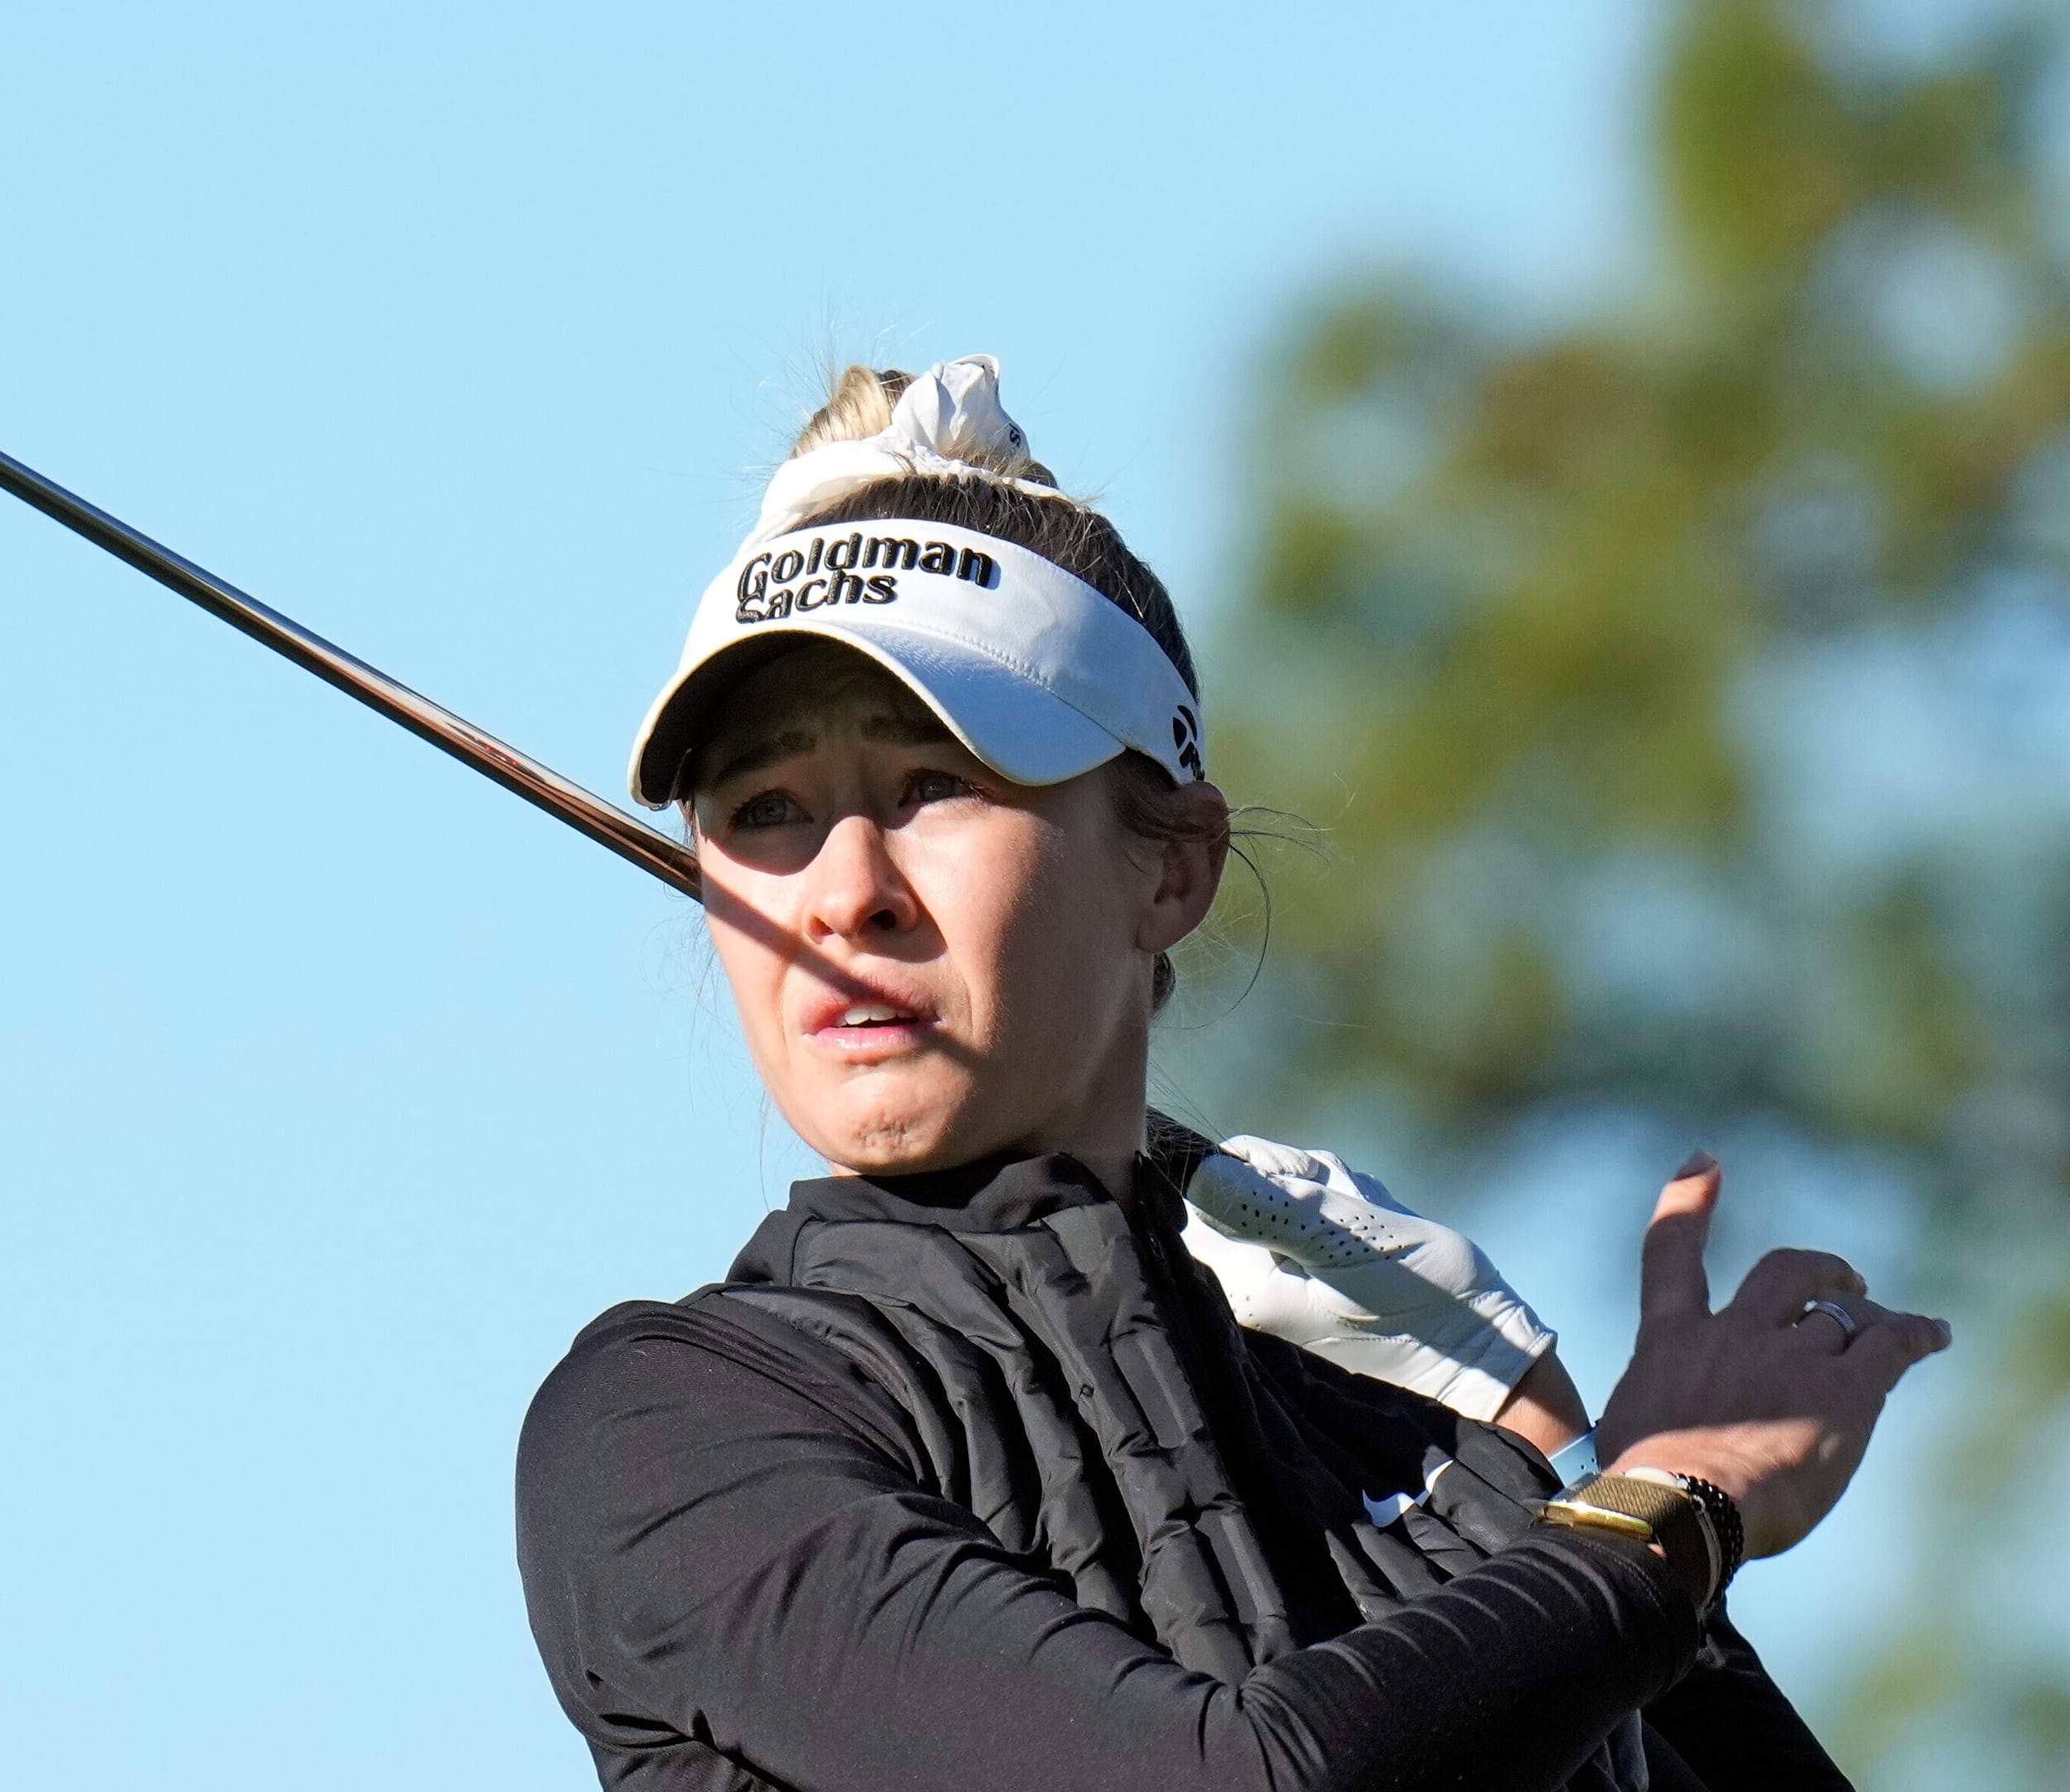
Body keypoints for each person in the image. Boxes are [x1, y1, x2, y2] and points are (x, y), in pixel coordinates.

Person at [516, 358, 1949, 1792]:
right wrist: (1659, 1517)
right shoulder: (669, 1429)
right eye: (765, 811)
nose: (845, 892)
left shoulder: (1407, 1458)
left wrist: (1553, 1457)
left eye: (934, 784)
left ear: (1174, 866)